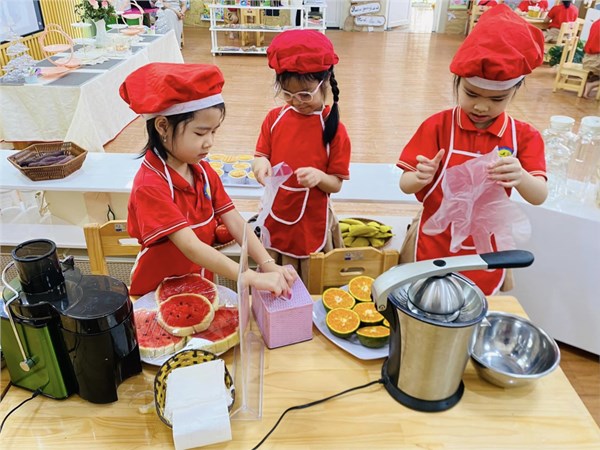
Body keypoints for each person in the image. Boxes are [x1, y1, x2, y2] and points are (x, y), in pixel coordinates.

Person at [396, 5, 548, 296]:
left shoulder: (523, 136)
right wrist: (420, 177)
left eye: (497, 99)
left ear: (515, 91)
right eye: (471, 94)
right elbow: (405, 184)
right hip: (435, 241)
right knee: (429, 300)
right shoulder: (438, 126)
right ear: (458, 82)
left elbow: (539, 195)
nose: (481, 106)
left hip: (485, 248)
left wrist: (521, 176)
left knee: (475, 304)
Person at [119, 62, 297, 296]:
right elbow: (190, 246)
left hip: (199, 281)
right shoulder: (150, 185)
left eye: (214, 131)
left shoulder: (202, 171)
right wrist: (249, 276)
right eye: (200, 133)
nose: (209, 142)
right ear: (162, 126)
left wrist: (267, 263)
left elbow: (235, 221)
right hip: (157, 290)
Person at [252, 29, 351, 284]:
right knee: (276, 279)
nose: (296, 102)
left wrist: (319, 177)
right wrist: (260, 166)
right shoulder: (274, 119)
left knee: (309, 281)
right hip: (276, 214)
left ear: (325, 82)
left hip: (311, 222)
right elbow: (260, 155)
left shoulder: (334, 129)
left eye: (305, 94)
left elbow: (336, 184)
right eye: (287, 94)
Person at [583, 19, 600, 98]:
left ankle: (591, 82)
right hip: (595, 61)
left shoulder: (597, 22)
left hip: (588, 58)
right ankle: (591, 84)